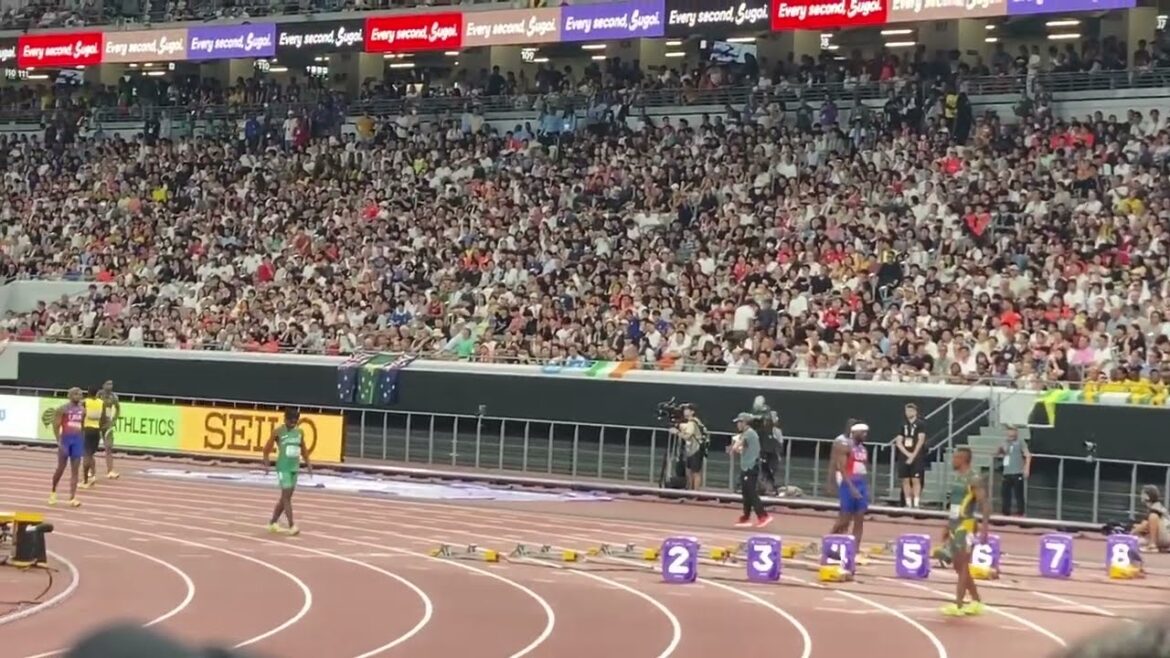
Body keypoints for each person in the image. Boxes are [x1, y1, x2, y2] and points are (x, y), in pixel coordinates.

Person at [939, 447, 990, 617]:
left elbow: (985, 504)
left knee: (962, 565)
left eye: (955, 458)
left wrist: (984, 529)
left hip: (966, 526)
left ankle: (959, 604)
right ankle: (976, 600)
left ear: (963, 459)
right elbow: (954, 504)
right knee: (957, 565)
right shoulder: (957, 478)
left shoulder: (974, 478)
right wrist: (947, 526)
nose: (952, 461)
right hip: (954, 524)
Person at [262, 409, 312, 535]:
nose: (292, 424)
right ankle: (291, 525)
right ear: (285, 419)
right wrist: (266, 463)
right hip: (283, 468)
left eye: (295, 422)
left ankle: (272, 522)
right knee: (286, 497)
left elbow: (304, 449)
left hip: (294, 468)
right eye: (290, 422)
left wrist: (308, 464)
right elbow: (266, 449)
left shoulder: (299, 432)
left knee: (286, 498)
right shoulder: (278, 432)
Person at [829, 422, 869, 549]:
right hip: (849, 483)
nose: (865, 435)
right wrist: (851, 487)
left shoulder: (863, 449)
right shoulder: (845, 446)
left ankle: (855, 549)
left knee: (860, 519)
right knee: (844, 520)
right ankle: (829, 542)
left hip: (861, 483)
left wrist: (865, 488)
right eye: (862, 432)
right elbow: (842, 468)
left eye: (866, 432)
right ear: (855, 432)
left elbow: (863, 468)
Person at [730, 412, 771, 528]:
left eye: (739, 422)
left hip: (751, 466)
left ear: (745, 423)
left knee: (751, 492)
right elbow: (741, 449)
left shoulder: (749, 433)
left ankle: (763, 515)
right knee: (746, 493)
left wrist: (734, 446)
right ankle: (746, 517)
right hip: (746, 466)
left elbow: (737, 447)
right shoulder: (746, 434)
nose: (738, 425)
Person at [49, 387, 86, 507]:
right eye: (75, 394)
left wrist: (82, 441)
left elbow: (83, 426)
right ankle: (53, 490)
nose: (78, 395)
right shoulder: (63, 409)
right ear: (69, 396)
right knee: (61, 468)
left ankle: (72, 497)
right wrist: (59, 442)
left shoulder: (83, 410)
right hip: (65, 440)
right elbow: (55, 425)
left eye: (80, 394)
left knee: (75, 470)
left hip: (77, 441)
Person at [895, 404, 926, 508]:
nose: (908, 413)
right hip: (904, 455)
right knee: (905, 479)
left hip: (917, 455)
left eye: (911, 411)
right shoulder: (903, 425)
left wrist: (913, 455)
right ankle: (908, 503)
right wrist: (907, 454)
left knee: (916, 479)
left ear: (915, 412)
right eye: (907, 411)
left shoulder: (920, 424)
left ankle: (916, 502)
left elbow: (921, 440)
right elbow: (899, 441)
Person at [994, 425, 1030, 516]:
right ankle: (1005, 513)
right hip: (1007, 472)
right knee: (1005, 494)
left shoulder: (1020, 442)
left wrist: (1026, 468)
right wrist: (1000, 449)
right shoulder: (1005, 442)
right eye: (1009, 433)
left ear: (1016, 433)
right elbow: (997, 454)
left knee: (1019, 495)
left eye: (1013, 432)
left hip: (1018, 472)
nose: (1010, 436)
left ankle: (1020, 513)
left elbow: (1028, 455)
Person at [751, 396, 782, 495]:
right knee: (755, 469)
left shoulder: (772, 428)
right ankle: (757, 488)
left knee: (768, 470)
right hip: (760, 449)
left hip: (770, 451)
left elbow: (778, 442)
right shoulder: (755, 425)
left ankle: (770, 488)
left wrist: (777, 453)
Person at [671, 405, 708, 490]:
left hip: (696, 449)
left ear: (692, 412)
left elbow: (687, 436)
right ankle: (691, 491)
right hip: (691, 450)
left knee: (695, 472)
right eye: (684, 410)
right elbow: (683, 427)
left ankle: (695, 493)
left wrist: (676, 432)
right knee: (689, 472)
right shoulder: (691, 422)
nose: (685, 412)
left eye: (687, 410)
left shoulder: (692, 422)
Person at [80, 388, 106, 488]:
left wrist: (81, 429)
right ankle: (93, 475)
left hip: (87, 429)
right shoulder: (101, 402)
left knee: (86, 455)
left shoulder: (85, 402)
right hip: (96, 430)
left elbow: (82, 416)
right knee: (91, 454)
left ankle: (85, 480)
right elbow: (103, 417)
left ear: (88, 393)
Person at [826, 417, 858, 496]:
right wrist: (830, 482)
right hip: (841, 472)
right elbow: (833, 460)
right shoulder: (839, 440)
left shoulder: (855, 441)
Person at [1133, 485, 1170, 552]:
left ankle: (1152, 545)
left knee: (1134, 541)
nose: (1141, 496)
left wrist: (1132, 532)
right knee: (1138, 541)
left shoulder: (1154, 510)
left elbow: (1143, 526)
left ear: (1147, 497)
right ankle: (1161, 546)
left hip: (1165, 538)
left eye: (1142, 494)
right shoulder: (1159, 507)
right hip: (1166, 537)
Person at [99, 380, 121, 480]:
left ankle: (110, 470)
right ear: (103, 385)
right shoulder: (98, 394)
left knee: (108, 447)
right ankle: (89, 471)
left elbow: (118, 408)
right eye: (108, 384)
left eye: (111, 384)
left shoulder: (114, 397)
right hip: (96, 423)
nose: (110, 386)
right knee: (91, 448)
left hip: (107, 424)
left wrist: (114, 420)